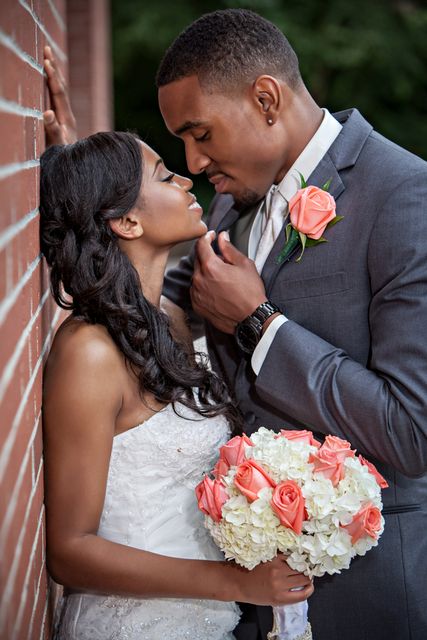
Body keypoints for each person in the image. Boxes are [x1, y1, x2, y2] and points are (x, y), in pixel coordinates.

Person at [152, 8, 427, 640]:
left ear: (266, 99)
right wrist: (84, 178)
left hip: (371, 593)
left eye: (200, 134)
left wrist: (258, 323)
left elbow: (410, 431)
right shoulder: (230, 199)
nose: (192, 162)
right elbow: (147, 302)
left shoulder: (404, 196)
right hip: (249, 595)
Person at [39, 129, 314, 640]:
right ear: (126, 220)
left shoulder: (171, 317)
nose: (187, 178)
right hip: (132, 625)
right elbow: (69, 551)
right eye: (166, 175)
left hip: (208, 623)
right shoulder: (89, 353)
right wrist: (236, 582)